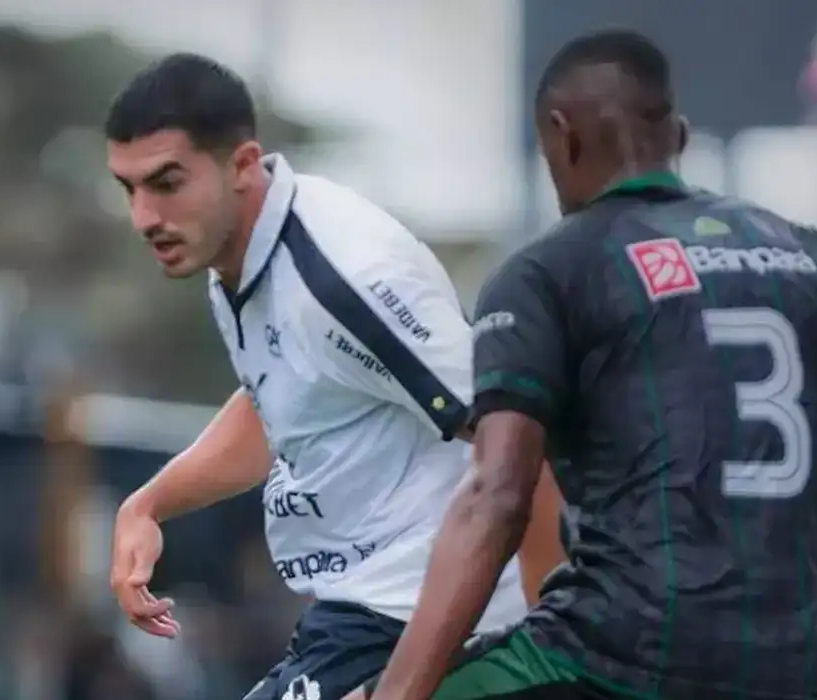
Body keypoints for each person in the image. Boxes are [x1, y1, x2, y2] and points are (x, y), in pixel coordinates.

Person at [354, 28, 817, 700]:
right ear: (678, 137)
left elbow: (496, 498)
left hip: (624, 659)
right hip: (808, 671)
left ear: (561, 137)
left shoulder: (547, 273)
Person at [102, 53, 564, 700]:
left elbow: (526, 450)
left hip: (433, 621)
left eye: (166, 183)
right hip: (356, 617)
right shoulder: (237, 258)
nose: (145, 217)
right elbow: (283, 405)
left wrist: (554, 655)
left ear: (243, 165)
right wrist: (149, 504)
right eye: (130, 189)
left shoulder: (346, 277)